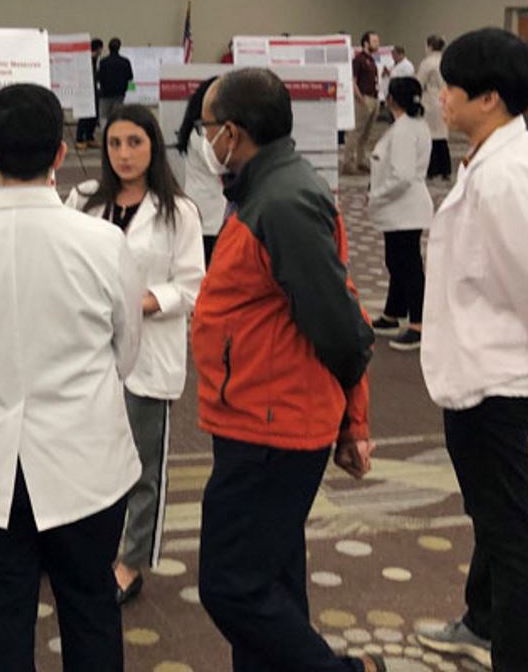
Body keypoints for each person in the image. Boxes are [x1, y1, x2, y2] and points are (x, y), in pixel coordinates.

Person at [0, 83, 144, 672]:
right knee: (91, 606)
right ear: (59, 154)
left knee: (4, 615)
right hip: (86, 461)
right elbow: (127, 354)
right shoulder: (103, 243)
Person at [190, 68, 381, 672]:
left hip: (271, 425)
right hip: (259, 412)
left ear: (232, 132)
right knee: (270, 578)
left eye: (206, 127)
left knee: (231, 586)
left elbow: (341, 325)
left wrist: (354, 420)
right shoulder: (264, 188)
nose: (202, 138)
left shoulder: (284, 201)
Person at [416, 27, 528, 672]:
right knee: (494, 515)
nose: (442, 98)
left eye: (451, 89)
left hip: (494, 383)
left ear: (487, 98)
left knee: (508, 529)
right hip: (481, 369)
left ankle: (517, 654)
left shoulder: (510, 174)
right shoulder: (495, 159)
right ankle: (484, 620)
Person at [66, 105, 204, 605]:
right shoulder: (82, 200)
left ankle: (130, 561)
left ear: (154, 146)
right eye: (115, 144)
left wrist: (137, 303)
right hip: (88, 355)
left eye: (135, 143)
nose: (124, 154)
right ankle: (83, 548)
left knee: (142, 466)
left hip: (147, 355)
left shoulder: (178, 211)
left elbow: (191, 289)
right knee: (83, 457)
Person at [368, 76, 432, 352]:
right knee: (397, 261)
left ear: (392, 98)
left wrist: (376, 194)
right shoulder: (412, 125)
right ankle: (392, 313)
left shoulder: (406, 129)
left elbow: (402, 176)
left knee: (408, 266)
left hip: (403, 206)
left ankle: (418, 323)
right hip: (402, 208)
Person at [175, 76, 227, 264]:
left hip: (211, 211)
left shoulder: (205, 130)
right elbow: (217, 164)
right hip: (208, 214)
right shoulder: (201, 133)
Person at [346, 30, 381, 174]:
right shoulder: (359, 60)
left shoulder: (372, 60)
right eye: (374, 42)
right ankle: (348, 162)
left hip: (374, 98)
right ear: (366, 43)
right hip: (363, 99)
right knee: (355, 132)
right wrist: (360, 98)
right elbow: (353, 81)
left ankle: (360, 160)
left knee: (366, 133)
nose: (377, 44)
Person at [418, 35, 451, 180]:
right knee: (442, 136)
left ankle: (432, 169)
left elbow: (419, 82)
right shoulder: (446, 61)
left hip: (431, 101)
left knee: (431, 136)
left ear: (430, 46)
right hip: (445, 99)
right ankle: (445, 169)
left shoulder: (428, 63)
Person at [75, 38, 104, 150]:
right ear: (99, 48)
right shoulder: (86, 60)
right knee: (85, 115)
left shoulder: (96, 60)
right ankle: (80, 138)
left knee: (94, 115)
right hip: (85, 91)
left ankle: (89, 137)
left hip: (94, 91)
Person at [98, 38, 133, 122]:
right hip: (119, 94)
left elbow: (99, 77)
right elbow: (130, 77)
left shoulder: (103, 62)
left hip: (105, 94)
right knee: (117, 116)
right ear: (119, 48)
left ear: (109, 48)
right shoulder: (125, 62)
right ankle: (115, 132)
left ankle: (105, 133)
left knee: (104, 116)